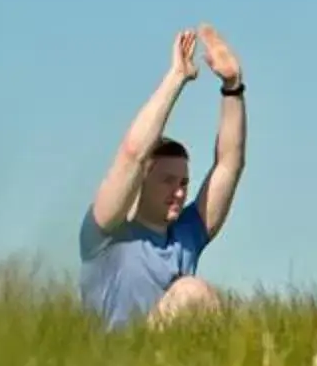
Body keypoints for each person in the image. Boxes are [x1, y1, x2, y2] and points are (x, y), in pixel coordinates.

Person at [80, 25, 246, 329]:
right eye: (168, 181)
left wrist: (232, 87)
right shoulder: (105, 232)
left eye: (184, 183)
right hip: (114, 363)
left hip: (170, 364)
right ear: (141, 181)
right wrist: (177, 77)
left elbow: (228, 165)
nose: (179, 192)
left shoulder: (186, 236)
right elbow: (132, 153)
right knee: (190, 292)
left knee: (196, 294)